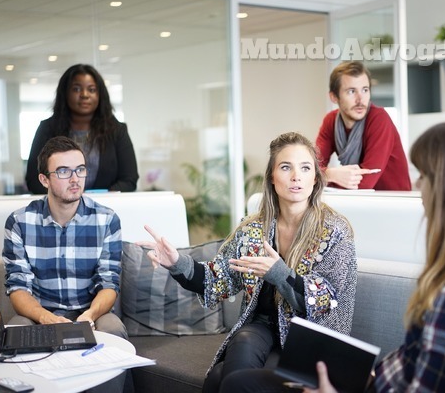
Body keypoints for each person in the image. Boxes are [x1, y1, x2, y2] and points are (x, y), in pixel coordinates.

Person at [229, 122, 445, 393]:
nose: (419, 186)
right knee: (232, 378)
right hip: (373, 381)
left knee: (237, 384)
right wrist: (368, 375)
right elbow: (416, 366)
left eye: (424, 176)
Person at [138, 132, 357, 393]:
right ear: (272, 178)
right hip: (262, 327)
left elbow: (323, 300)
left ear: (315, 179)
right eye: (286, 167)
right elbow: (216, 279)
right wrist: (176, 262)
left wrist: (278, 273)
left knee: (221, 377)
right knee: (242, 341)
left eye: (305, 168)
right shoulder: (253, 229)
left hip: (310, 339)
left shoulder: (334, 230)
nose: (296, 176)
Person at [4, 136, 127, 340]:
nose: (75, 179)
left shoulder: (107, 220)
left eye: (80, 169)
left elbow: (109, 283)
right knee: (15, 330)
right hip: (39, 314)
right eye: (63, 171)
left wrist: (89, 315)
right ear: (44, 180)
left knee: (113, 329)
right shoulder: (19, 222)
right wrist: (46, 317)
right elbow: (17, 288)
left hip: (92, 313)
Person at [25, 63, 139, 194]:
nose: (85, 95)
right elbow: (34, 181)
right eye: (76, 89)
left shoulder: (117, 131)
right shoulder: (47, 129)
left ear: (100, 95)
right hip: (59, 210)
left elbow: (129, 180)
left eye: (91, 89)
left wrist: (98, 200)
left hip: (105, 209)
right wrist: (67, 198)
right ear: (65, 93)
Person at [315, 61, 411, 191]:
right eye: (351, 91)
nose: (360, 99)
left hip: (394, 203)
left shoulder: (379, 119)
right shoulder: (330, 121)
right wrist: (330, 174)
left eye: (365, 90)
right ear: (334, 97)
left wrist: (324, 177)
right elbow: (311, 169)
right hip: (358, 201)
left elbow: (365, 183)